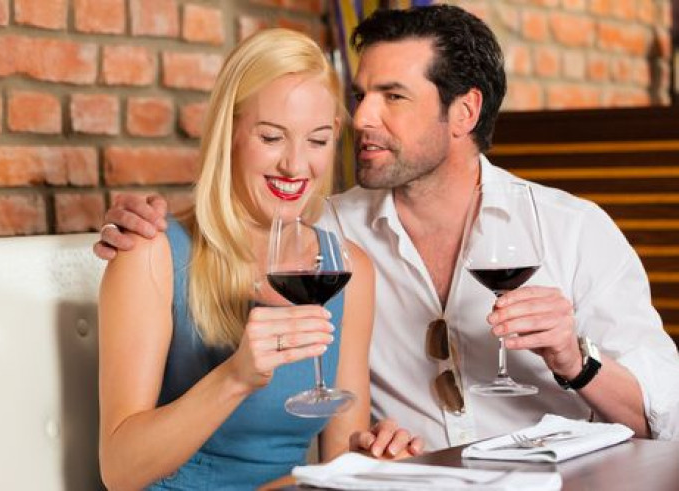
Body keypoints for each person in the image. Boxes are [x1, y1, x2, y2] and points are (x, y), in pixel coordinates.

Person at [96, 5, 679, 451]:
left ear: (465, 113)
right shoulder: (326, 234)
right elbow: (239, 212)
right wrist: (145, 222)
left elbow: (665, 417)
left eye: (392, 96)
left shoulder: (572, 231)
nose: (360, 119)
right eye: (359, 95)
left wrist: (576, 362)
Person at [97, 28, 423, 491]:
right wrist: (235, 377)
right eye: (272, 137)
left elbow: (338, 461)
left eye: (318, 140)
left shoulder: (346, 269)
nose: (295, 165)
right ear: (228, 134)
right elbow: (120, 470)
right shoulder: (151, 253)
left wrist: (375, 457)